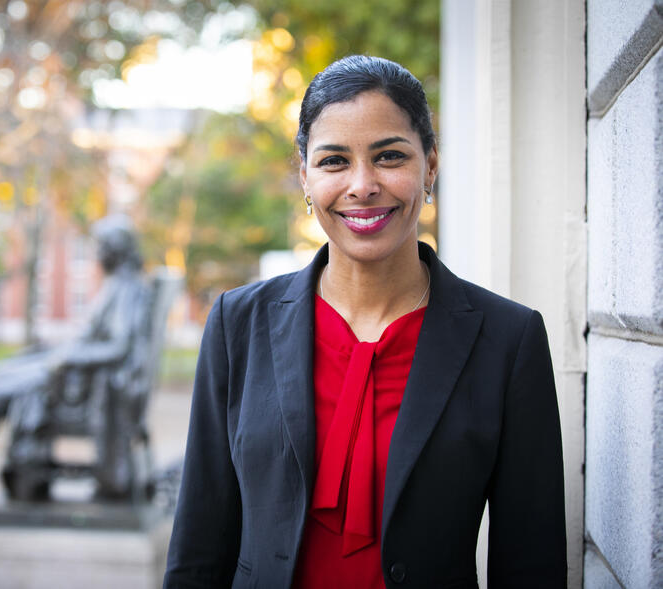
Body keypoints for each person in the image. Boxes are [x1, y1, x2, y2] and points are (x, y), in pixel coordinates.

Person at [164, 55, 566, 588]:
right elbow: (199, 543)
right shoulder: (237, 324)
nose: (362, 185)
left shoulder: (508, 340)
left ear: (431, 166)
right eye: (334, 161)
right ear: (304, 174)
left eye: (390, 156)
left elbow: (531, 562)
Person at [0, 214, 151, 499]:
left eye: (100, 246)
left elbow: (119, 349)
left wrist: (67, 358)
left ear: (115, 249)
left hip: (73, 383)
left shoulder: (127, 290)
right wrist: (59, 350)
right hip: (66, 372)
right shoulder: (117, 286)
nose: (96, 252)